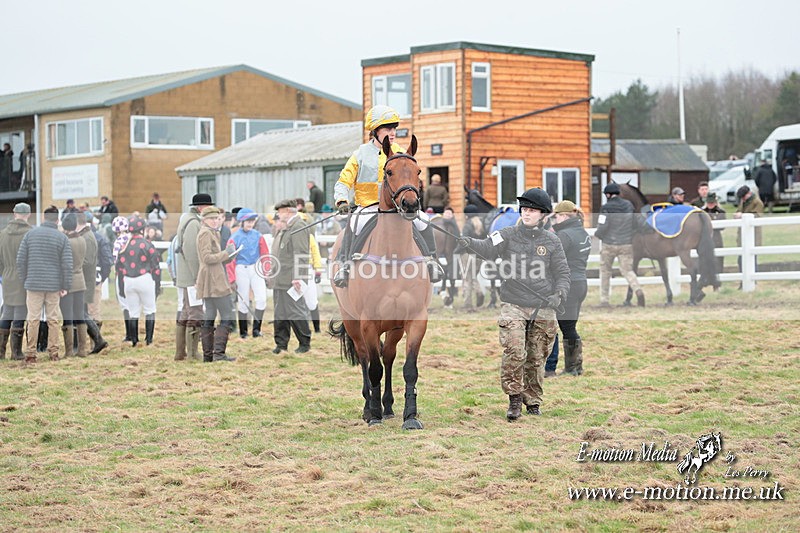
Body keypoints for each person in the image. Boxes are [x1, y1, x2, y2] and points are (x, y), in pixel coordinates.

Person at [456, 188, 570, 420]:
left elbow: (562, 273)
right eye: (524, 210)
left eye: (532, 210)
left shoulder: (552, 241)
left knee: (536, 358)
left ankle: (533, 401)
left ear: (543, 215)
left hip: (542, 304)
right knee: (515, 351)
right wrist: (470, 243)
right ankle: (514, 399)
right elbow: (487, 248)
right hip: (514, 303)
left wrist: (559, 294)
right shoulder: (506, 234)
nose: (527, 214)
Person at [332, 105, 439, 288]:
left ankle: (432, 260)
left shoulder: (399, 152)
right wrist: (342, 200)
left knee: (423, 220)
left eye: (394, 128)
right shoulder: (360, 155)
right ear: (375, 131)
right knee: (354, 222)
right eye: (387, 128)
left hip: (396, 207)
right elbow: (343, 182)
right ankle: (345, 265)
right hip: (368, 206)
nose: (392, 132)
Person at [17, 206, 73, 362]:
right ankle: (53, 352)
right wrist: (65, 285)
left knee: (33, 319)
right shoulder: (62, 238)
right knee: (53, 319)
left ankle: (30, 353)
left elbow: (20, 261)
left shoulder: (30, 235)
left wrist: (25, 279)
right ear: (57, 220)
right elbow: (67, 265)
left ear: (43, 218)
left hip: (33, 283)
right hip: (53, 285)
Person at [544, 201, 591, 377]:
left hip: (567, 286)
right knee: (569, 326)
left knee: (560, 326)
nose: (554, 220)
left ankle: (562, 368)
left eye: (556, 216)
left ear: (563, 216)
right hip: (580, 283)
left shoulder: (564, 236)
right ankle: (574, 367)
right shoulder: (582, 232)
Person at [268, 199, 311, 354]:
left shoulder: (298, 226)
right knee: (280, 312)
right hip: (281, 278)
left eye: (280, 212)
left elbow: (301, 254)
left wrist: (298, 277)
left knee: (295, 311)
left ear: (287, 211)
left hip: (292, 279)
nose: (279, 215)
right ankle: (281, 344)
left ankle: (304, 343)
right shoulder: (288, 228)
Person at [196, 206, 238, 362]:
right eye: (212, 218)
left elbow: (216, 257)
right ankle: (218, 354)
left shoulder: (211, 232)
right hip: (214, 279)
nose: (215, 221)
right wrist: (226, 253)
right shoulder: (205, 233)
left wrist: (230, 255)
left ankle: (209, 355)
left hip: (212, 278)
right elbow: (207, 258)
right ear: (205, 220)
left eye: (216, 218)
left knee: (211, 314)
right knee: (227, 314)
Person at [174, 193, 213, 361]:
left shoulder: (189, 220)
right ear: (200, 208)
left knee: (186, 311)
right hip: (191, 276)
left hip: (186, 275)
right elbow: (191, 253)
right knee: (195, 312)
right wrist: (198, 277)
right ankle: (192, 353)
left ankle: (181, 352)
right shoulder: (193, 224)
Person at [595, 182, 646, 307]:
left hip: (609, 244)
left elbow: (603, 226)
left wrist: (598, 234)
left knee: (605, 272)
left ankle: (604, 300)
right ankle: (638, 290)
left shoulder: (606, 208)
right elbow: (636, 223)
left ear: (608, 194)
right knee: (627, 270)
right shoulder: (629, 206)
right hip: (626, 244)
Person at [116, 216, 161, 346]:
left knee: (133, 311)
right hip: (144, 279)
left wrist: (121, 286)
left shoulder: (124, 246)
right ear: (142, 229)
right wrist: (157, 285)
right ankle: (149, 340)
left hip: (128, 281)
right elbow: (156, 268)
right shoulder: (147, 244)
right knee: (149, 310)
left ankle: (134, 341)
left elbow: (119, 269)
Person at [227, 208, 270, 339]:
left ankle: (257, 330)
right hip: (241, 269)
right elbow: (230, 260)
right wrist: (232, 279)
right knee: (243, 300)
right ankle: (243, 332)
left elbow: (265, 254)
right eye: (248, 221)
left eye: (252, 221)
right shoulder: (234, 238)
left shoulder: (258, 236)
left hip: (256, 268)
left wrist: (266, 271)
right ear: (242, 222)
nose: (250, 224)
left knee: (261, 298)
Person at [0, 203, 32, 360]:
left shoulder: (2, 234)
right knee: (20, 313)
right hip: (23, 278)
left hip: (7, 277)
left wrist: (4, 273)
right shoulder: (30, 233)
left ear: (14, 214)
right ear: (29, 215)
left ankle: (0, 352)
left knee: (6, 312)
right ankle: (17, 352)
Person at [60, 213, 89, 357]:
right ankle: (82, 349)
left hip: (69, 283)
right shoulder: (82, 240)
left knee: (67, 316)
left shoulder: (66, 242)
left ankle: (69, 350)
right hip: (81, 281)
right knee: (80, 315)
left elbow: (64, 264)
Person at [459, 204, 487, 312]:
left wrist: (456, 251)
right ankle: (479, 292)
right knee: (473, 276)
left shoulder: (467, 225)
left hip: (467, 255)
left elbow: (463, 241)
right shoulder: (482, 224)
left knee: (466, 278)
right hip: (479, 256)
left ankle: (467, 304)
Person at [734, 185, 764, 278]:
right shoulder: (744, 202)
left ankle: (753, 279)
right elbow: (738, 211)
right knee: (740, 259)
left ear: (749, 193)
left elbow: (757, 216)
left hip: (753, 234)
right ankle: (742, 279)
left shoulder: (757, 203)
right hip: (743, 233)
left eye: (743, 196)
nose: (742, 199)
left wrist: (742, 215)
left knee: (752, 259)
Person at [702, 192, 727, 275]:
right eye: (709, 203)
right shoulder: (701, 212)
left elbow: (722, 226)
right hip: (704, 238)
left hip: (716, 238)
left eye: (712, 203)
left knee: (718, 259)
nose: (710, 205)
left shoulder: (721, 211)